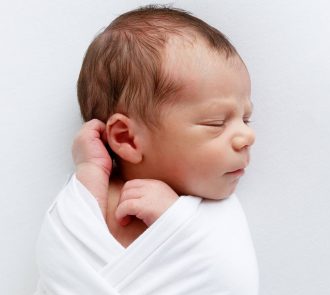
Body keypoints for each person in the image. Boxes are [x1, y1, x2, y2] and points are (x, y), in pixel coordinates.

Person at [35, 5, 258, 294]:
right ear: (127, 138)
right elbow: (64, 258)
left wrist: (177, 222)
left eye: (246, 119)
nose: (247, 135)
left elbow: (227, 273)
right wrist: (90, 171)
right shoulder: (87, 206)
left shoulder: (213, 221)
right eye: (216, 122)